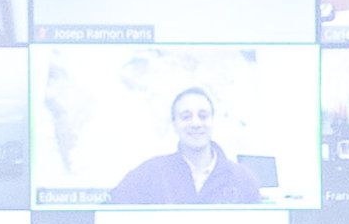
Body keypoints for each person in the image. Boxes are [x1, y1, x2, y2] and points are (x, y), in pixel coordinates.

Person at [107, 86, 265, 205]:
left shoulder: (242, 178)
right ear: (174, 124)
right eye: (186, 117)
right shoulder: (148, 174)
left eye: (203, 116)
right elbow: (108, 213)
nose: (196, 123)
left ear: (212, 121)